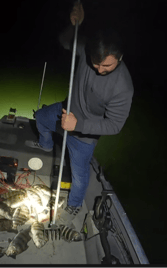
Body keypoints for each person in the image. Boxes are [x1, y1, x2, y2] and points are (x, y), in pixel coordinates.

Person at [27, 1, 134, 227]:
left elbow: (115, 125)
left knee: (80, 175)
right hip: (64, 111)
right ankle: (45, 146)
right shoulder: (87, 52)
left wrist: (79, 125)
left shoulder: (123, 87)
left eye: (107, 66)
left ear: (120, 57)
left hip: (85, 134)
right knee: (40, 118)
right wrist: (74, 25)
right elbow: (66, 41)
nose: (99, 70)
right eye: (96, 64)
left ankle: (74, 205)